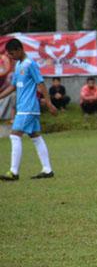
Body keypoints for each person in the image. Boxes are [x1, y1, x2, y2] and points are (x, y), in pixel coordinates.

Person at [0, 38, 57, 180]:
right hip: (24, 108)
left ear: (20, 50)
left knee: (14, 135)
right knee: (36, 136)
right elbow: (13, 86)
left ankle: (14, 172)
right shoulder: (18, 65)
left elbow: (41, 83)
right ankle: (47, 169)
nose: (11, 57)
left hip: (28, 107)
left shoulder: (30, 64)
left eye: (12, 54)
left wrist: (49, 103)